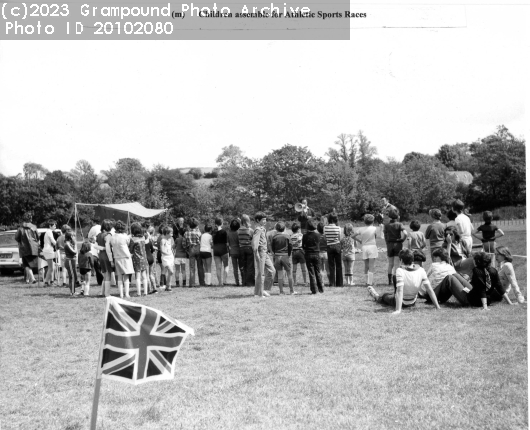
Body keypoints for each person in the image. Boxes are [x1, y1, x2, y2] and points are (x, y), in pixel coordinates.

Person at [367, 249, 441, 314]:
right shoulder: (421, 270)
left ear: (401, 260)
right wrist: (437, 306)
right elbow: (430, 290)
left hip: (401, 302)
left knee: (384, 296)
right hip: (412, 302)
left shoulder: (400, 271)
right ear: (412, 260)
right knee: (391, 294)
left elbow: (399, 291)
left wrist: (398, 310)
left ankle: (375, 295)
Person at [384, 208, 408, 290]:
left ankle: (389, 281)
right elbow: (405, 233)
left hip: (390, 244)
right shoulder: (399, 224)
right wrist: (403, 239)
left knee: (390, 264)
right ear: (397, 216)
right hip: (398, 244)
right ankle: (396, 279)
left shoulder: (386, 225)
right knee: (397, 264)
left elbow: (385, 236)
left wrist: (387, 243)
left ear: (389, 216)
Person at [252, 212, 275, 298]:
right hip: (260, 253)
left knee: (272, 270)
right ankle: (259, 294)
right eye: (263, 219)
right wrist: (256, 254)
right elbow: (255, 244)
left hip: (265, 253)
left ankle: (263, 290)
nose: (265, 221)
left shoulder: (263, 229)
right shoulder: (258, 230)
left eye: (265, 219)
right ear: (258, 220)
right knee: (261, 274)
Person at [110, 220, 134, 298]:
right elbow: (128, 243)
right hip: (126, 257)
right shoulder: (125, 236)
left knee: (119, 277)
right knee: (126, 277)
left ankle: (121, 294)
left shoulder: (112, 237)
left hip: (117, 257)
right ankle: (126, 293)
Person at [271, 221, 295, 295]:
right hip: (285, 256)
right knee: (289, 273)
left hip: (277, 256)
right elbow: (291, 246)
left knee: (280, 274)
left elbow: (272, 247)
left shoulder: (274, 237)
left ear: (276, 228)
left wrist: (274, 253)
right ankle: (291, 291)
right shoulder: (287, 236)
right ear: (284, 228)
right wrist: (289, 254)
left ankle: (281, 291)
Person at [356, 214, 378, 287]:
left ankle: (366, 281)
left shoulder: (361, 229)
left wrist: (359, 241)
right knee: (371, 266)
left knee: (366, 266)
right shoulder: (374, 228)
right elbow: (378, 236)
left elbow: (352, 236)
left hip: (364, 247)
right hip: (372, 247)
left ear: (364, 221)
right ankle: (370, 282)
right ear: (372, 221)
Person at [302, 219, 323, 294]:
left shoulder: (305, 236)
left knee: (311, 272)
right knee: (318, 271)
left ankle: (314, 290)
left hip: (308, 254)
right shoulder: (318, 235)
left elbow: (303, 246)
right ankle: (321, 288)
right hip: (316, 254)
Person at [94, 219, 114, 297]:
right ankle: (107, 293)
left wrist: (102, 248)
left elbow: (95, 246)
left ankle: (102, 292)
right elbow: (108, 249)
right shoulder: (108, 235)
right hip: (106, 256)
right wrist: (111, 260)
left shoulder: (98, 235)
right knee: (108, 275)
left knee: (105, 274)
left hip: (101, 256)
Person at [184, 217, 205, 287]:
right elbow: (201, 241)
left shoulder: (186, 233)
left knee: (192, 267)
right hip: (198, 248)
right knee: (200, 266)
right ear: (196, 225)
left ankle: (192, 283)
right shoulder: (199, 232)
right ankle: (202, 282)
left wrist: (187, 250)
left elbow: (184, 244)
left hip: (191, 249)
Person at [129, 222, 148, 297]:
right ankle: (145, 292)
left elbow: (131, 250)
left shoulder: (133, 240)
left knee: (137, 276)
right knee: (144, 276)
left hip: (136, 260)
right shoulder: (143, 238)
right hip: (144, 258)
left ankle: (139, 292)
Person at [324, 212, 343, 287]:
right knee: (339, 265)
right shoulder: (338, 228)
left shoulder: (325, 228)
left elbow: (325, 238)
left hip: (329, 246)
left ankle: (332, 283)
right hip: (337, 245)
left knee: (331, 265)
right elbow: (339, 238)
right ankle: (339, 283)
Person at [238, 214, 255, 287]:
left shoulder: (238, 230)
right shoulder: (250, 230)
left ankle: (243, 282)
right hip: (249, 248)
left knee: (243, 266)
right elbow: (253, 240)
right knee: (250, 266)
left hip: (241, 249)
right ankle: (250, 282)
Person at [212, 217, 230, 286]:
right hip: (223, 250)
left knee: (218, 268)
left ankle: (220, 282)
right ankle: (224, 280)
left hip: (216, 251)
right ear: (222, 223)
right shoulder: (224, 232)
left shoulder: (213, 232)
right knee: (226, 266)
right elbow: (226, 243)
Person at [290, 222, 308, 287]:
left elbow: (290, 244)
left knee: (294, 269)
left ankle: (294, 282)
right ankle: (305, 281)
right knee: (303, 268)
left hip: (294, 252)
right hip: (300, 251)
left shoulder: (291, 236)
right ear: (298, 229)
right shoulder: (301, 235)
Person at [87, 217, 103, 286]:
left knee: (96, 266)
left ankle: (100, 280)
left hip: (95, 247)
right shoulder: (102, 226)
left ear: (93, 222)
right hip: (101, 246)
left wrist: (91, 239)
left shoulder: (93, 228)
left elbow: (89, 236)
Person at [228, 218, 243, 286]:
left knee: (235, 268)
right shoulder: (239, 233)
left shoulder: (228, 233)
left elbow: (228, 243)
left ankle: (237, 282)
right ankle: (243, 280)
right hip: (239, 251)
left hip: (232, 252)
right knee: (241, 267)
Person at [42, 219, 57, 287]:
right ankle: (46, 283)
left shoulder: (48, 232)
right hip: (48, 250)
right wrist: (58, 244)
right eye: (54, 225)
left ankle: (50, 282)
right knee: (51, 268)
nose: (55, 227)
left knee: (51, 267)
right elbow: (53, 241)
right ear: (50, 226)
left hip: (47, 250)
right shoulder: (49, 232)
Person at [160, 225, 175, 291]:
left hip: (171, 257)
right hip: (165, 258)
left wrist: (172, 253)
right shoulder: (163, 240)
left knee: (170, 273)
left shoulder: (170, 239)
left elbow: (171, 248)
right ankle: (167, 286)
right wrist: (167, 253)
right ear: (166, 233)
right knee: (171, 271)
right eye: (171, 233)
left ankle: (168, 286)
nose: (172, 234)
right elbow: (162, 250)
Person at [63, 231, 78, 296]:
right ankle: (72, 292)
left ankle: (73, 291)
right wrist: (76, 245)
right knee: (72, 277)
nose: (75, 237)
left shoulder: (70, 243)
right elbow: (74, 252)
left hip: (71, 261)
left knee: (72, 276)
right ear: (71, 236)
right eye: (73, 236)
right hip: (69, 261)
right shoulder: (67, 244)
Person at [145, 226, 158, 294]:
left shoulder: (141, 243)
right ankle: (155, 288)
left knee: (147, 275)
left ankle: (149, 289)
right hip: (151, 258)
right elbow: (153, 250)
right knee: (151, 274)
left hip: (146, 259)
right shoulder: (149, 242)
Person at [316, 222, 330, 286]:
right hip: (325, 253)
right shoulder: (326, 236)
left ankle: (322, 282)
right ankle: (330, 281)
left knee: (321, 269)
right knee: (327, 268)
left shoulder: (316, 236)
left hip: (319, 253)